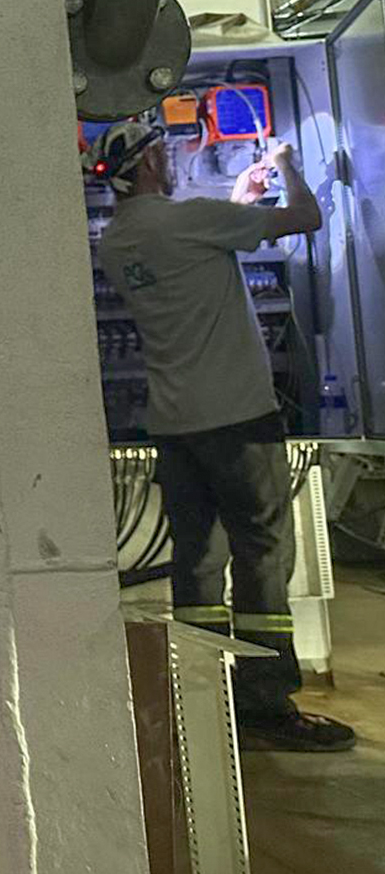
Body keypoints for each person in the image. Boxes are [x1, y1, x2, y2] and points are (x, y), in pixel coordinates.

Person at [89, 122, 354, 752]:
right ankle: (265, 702)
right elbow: (306, 219)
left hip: (177, 426)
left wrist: (239, 196)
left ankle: (204, 697)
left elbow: (197, 252)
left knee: (199, 561)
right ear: (150, 163)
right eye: (164, 151)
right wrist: (285, 164)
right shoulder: (186, 220)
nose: (172, 159)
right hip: (238, 418)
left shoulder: (119, 239)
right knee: (263, 554)